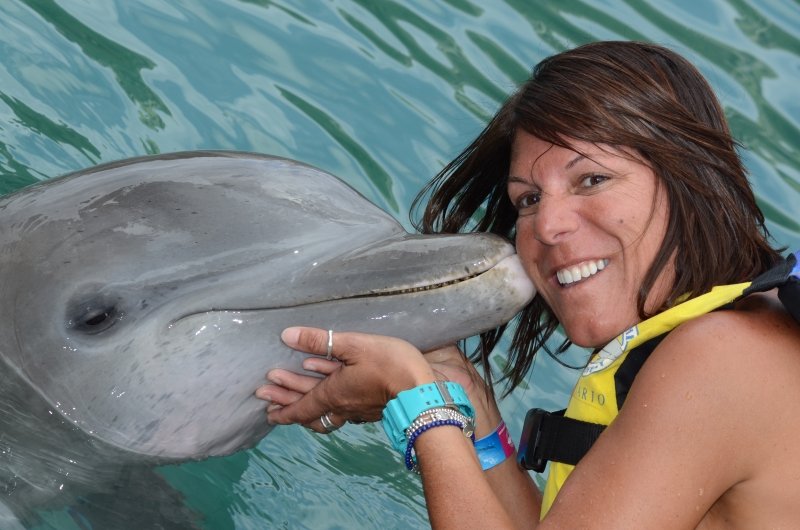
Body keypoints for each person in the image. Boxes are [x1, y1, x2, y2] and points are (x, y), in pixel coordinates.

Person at [255, 40, 800, 528]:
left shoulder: (723, 356)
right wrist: (468, 407)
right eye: (529, 200)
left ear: (693, 182)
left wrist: (416, 400)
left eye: (592, 179)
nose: (547, 226)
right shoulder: (719, 330)